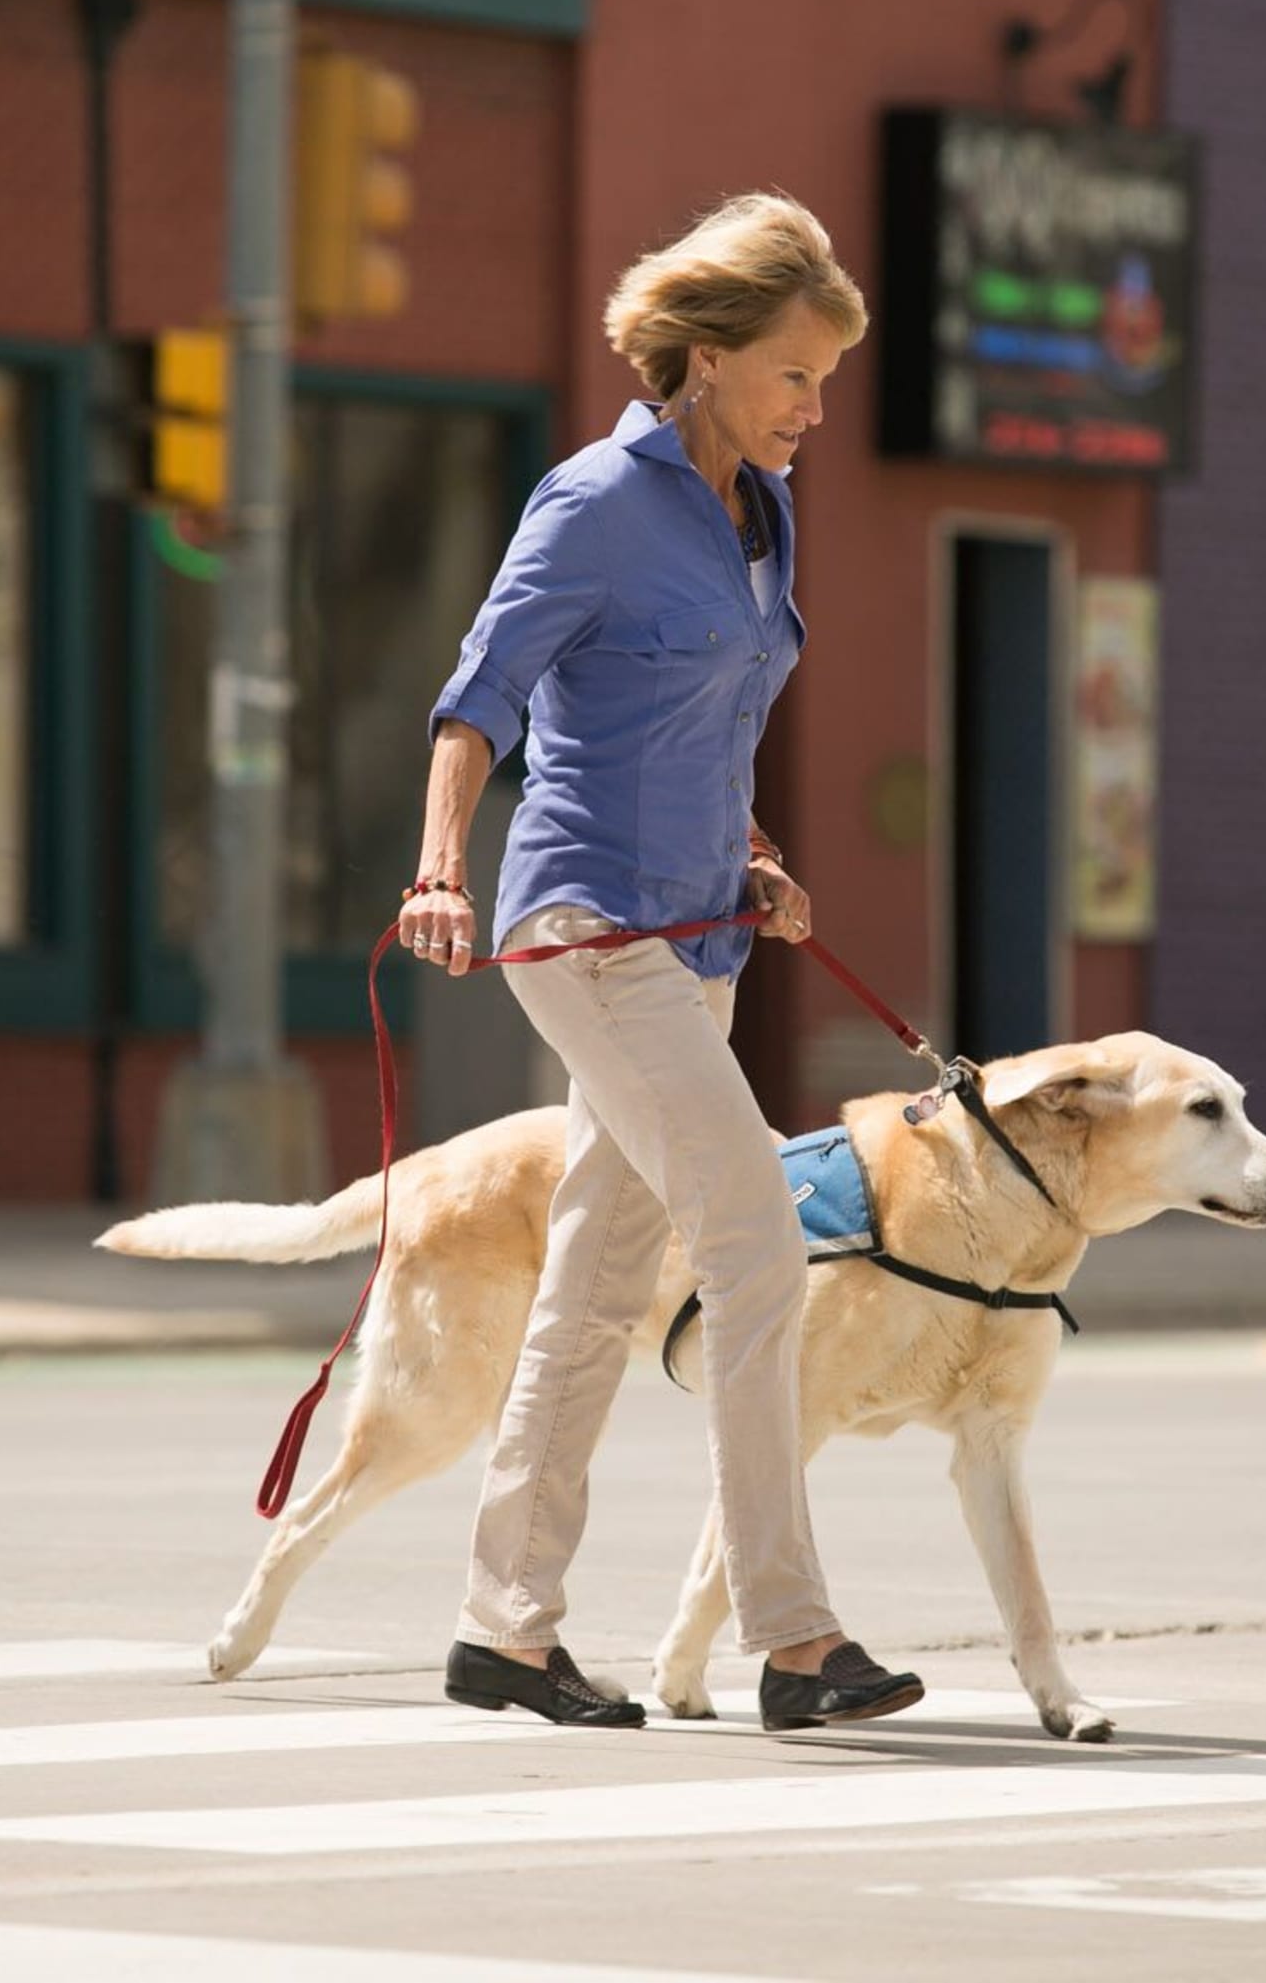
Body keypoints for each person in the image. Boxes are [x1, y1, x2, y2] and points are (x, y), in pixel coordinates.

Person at [400, 192, 924, 1733]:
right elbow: (479, 698)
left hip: (700, 936)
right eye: (793, 377)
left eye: (826, 381)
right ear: (701, 359)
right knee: (760, 1234)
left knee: (594, 1280)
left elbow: (709, 712)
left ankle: (505, 1624)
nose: (815, 410)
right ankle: (794, 1634)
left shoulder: (761, 508)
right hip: (585, 926)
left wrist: (753, 852)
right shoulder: (590, 502)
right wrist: (439, 867)